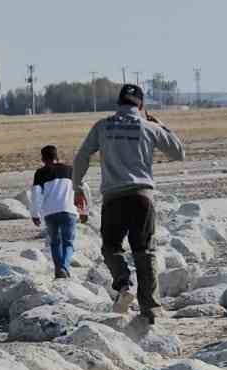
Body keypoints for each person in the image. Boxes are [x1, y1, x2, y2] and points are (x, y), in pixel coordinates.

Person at [71, 83, 184, 323]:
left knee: (111, 247)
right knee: (144, 252)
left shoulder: (102, 126)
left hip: (113, 197)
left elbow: (82, 156)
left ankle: (124, 284)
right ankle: (150, 309)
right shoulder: (149, 126)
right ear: (141, 105)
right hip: (142, 196)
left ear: (118, 103)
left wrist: (77, 186)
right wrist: (161, 125)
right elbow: (178, 153)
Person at [29, 145, 79, 279]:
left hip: (50, 213)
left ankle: (58, 270)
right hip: (69, 210)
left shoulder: (40, 173)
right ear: (57, 156)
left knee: (55, 243)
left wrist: (35, 214)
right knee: (68, 242)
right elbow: (82, 188)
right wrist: (84, 210)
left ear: (43, 159)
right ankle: (64, 267)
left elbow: (36, 194)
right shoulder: (70, 170)